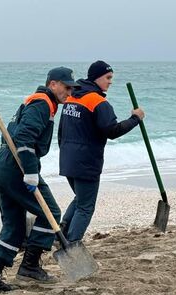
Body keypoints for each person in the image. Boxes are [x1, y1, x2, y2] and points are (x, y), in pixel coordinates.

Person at [0, 67, 79, 293]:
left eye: (71, 88)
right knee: (51, 213)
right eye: (66, 87)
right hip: (15, 166)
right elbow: (23, 138)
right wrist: (30, 171)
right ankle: (30, 266)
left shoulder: (43, 104)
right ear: (53, 84)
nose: (69, 92)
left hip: (3, 165)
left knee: (14, 225)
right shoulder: (43, 104)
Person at [58, 60, 145, 242]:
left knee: (80, 199)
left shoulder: (71, 98)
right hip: (86, 163)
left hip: (67, 159)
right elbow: (112, 131)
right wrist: (135, 118)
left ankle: (61, 234)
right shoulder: (97, 101)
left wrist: (66, 153)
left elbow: (61, 132)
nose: (110, 82)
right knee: (86, 206)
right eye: (108, 77)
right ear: (97, 78)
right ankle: (72, 244)